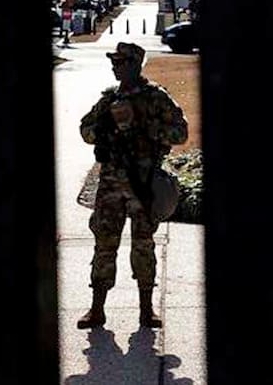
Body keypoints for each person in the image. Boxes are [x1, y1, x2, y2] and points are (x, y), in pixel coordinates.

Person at [77, 41, 188, 329]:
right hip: (111, 184)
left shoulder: (156, 97)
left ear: (135, 65)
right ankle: (97, 309)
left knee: (143, 245)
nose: (115, 67)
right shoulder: (109, 99)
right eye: (113, 62)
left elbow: (180, 133)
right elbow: (85, 130)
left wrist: (143, 127)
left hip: (143, 182)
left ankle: (146, 310)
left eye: (120, 62)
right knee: (104, 244)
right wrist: (106, 128)